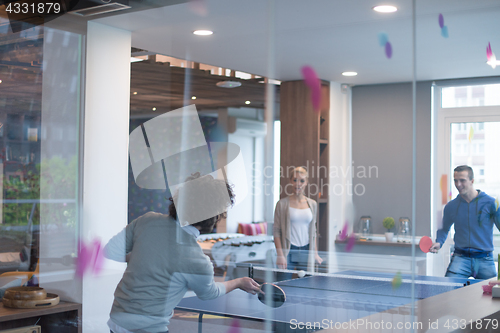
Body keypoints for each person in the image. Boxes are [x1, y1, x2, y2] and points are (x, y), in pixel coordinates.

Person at [105, 173, 261, 333]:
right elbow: (209, 293)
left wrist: (141, 256)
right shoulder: (197, 260)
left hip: (117, 321)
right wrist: (239, 282)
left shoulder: (147, 220)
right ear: (214, 216)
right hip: (149, 329)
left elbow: (110, 251)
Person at [430, 165, 500, 279]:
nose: (458, 184)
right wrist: (439, 242)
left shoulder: (491, 203)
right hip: (460, 258)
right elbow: (444, 228)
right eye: (455, 180)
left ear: (472, 181)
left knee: (493, 294)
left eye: (462, 180)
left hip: (485, 259)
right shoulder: (451, 206)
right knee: (447, 292)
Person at [274, 166, 323, 273]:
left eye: (301, 180)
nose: (298, 184)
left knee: (306, 285)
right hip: (288, 251)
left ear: (306, 182)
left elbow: (313, 231)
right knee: (284, 285)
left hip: (306, 251)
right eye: (295, 180)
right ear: (291, 181)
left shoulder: (312, 204)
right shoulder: (281, 204)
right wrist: (280, 255)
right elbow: (276, 232)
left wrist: (315, 253)